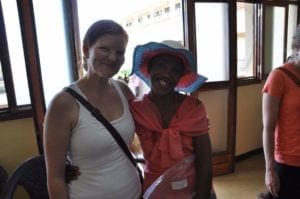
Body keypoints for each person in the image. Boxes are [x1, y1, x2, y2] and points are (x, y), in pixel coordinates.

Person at [43, 19, 141, 199]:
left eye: (119, 52)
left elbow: (152, 125)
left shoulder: (123, 90)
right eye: (104, 49)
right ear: (87, 50)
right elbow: (55, 177)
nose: (113, 57)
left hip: (134, 192)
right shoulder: (63, 104)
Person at [129, 40, 214, 199]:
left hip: (191, 190)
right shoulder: (136, 110)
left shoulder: (194, 108)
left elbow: (205, 161)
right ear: (150, 69)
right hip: (153, 190)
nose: (167, 74)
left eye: (175, 71)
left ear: (180, 77)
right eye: (161, 65)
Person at [261, 25, 300, 199]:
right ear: (297, 47)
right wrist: (270, 170)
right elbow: (268, 128)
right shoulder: (279, 76)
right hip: (288, 162)